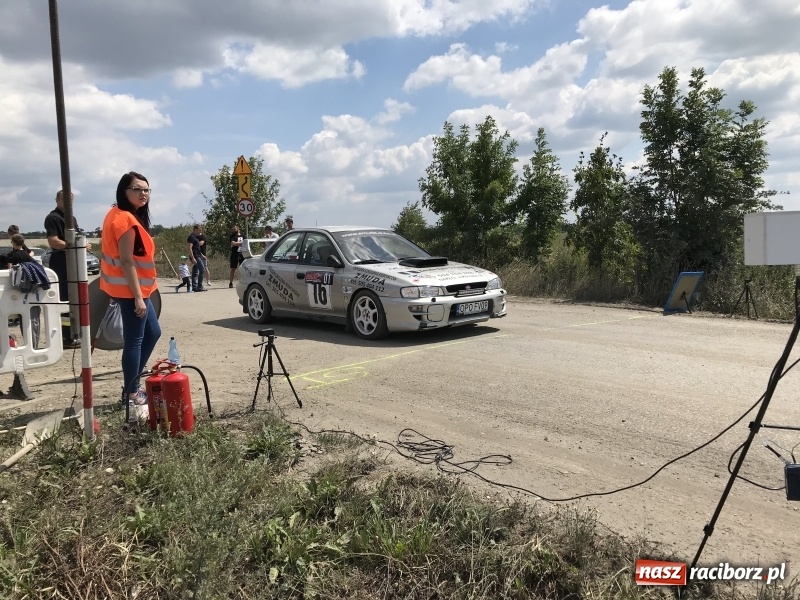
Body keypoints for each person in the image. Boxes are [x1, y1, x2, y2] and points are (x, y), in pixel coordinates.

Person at [100, 171, 161, 410]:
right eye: (137, 189)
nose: (143, 193)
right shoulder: (125, 219)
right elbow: (126, 261)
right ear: (124, 191)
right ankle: (131, 393)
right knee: (135, 340)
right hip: (130, 290)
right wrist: (138, 297)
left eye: (146, 189)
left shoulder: (119, 214)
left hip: (134, 288)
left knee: (153, 332)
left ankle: (132, 384)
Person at [44, 190, 89, 348]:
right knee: (65, 298)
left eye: (71, 200)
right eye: (65, 200)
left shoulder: (72, 219)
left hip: (75, 262)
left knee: (76, 299)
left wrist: (82, 245)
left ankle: (76, 332)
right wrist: (75, 246)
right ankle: (66, 338)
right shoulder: (53, 218)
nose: (68, 203)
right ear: (57, 200)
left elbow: (77, 237)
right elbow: (54, 241)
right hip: (61, 262)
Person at [187, 224, 206, 292]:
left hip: (198, 255)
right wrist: (192, 258)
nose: (200, 232)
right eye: (199, 230)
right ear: (195, 229)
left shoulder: (195, 237)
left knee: (195, 271)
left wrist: (202, 255)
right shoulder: (191, 237)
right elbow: (190, 248)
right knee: (202, 269)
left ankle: (195, 287)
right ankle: (199, 286)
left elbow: (197, 248)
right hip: (195, 256)